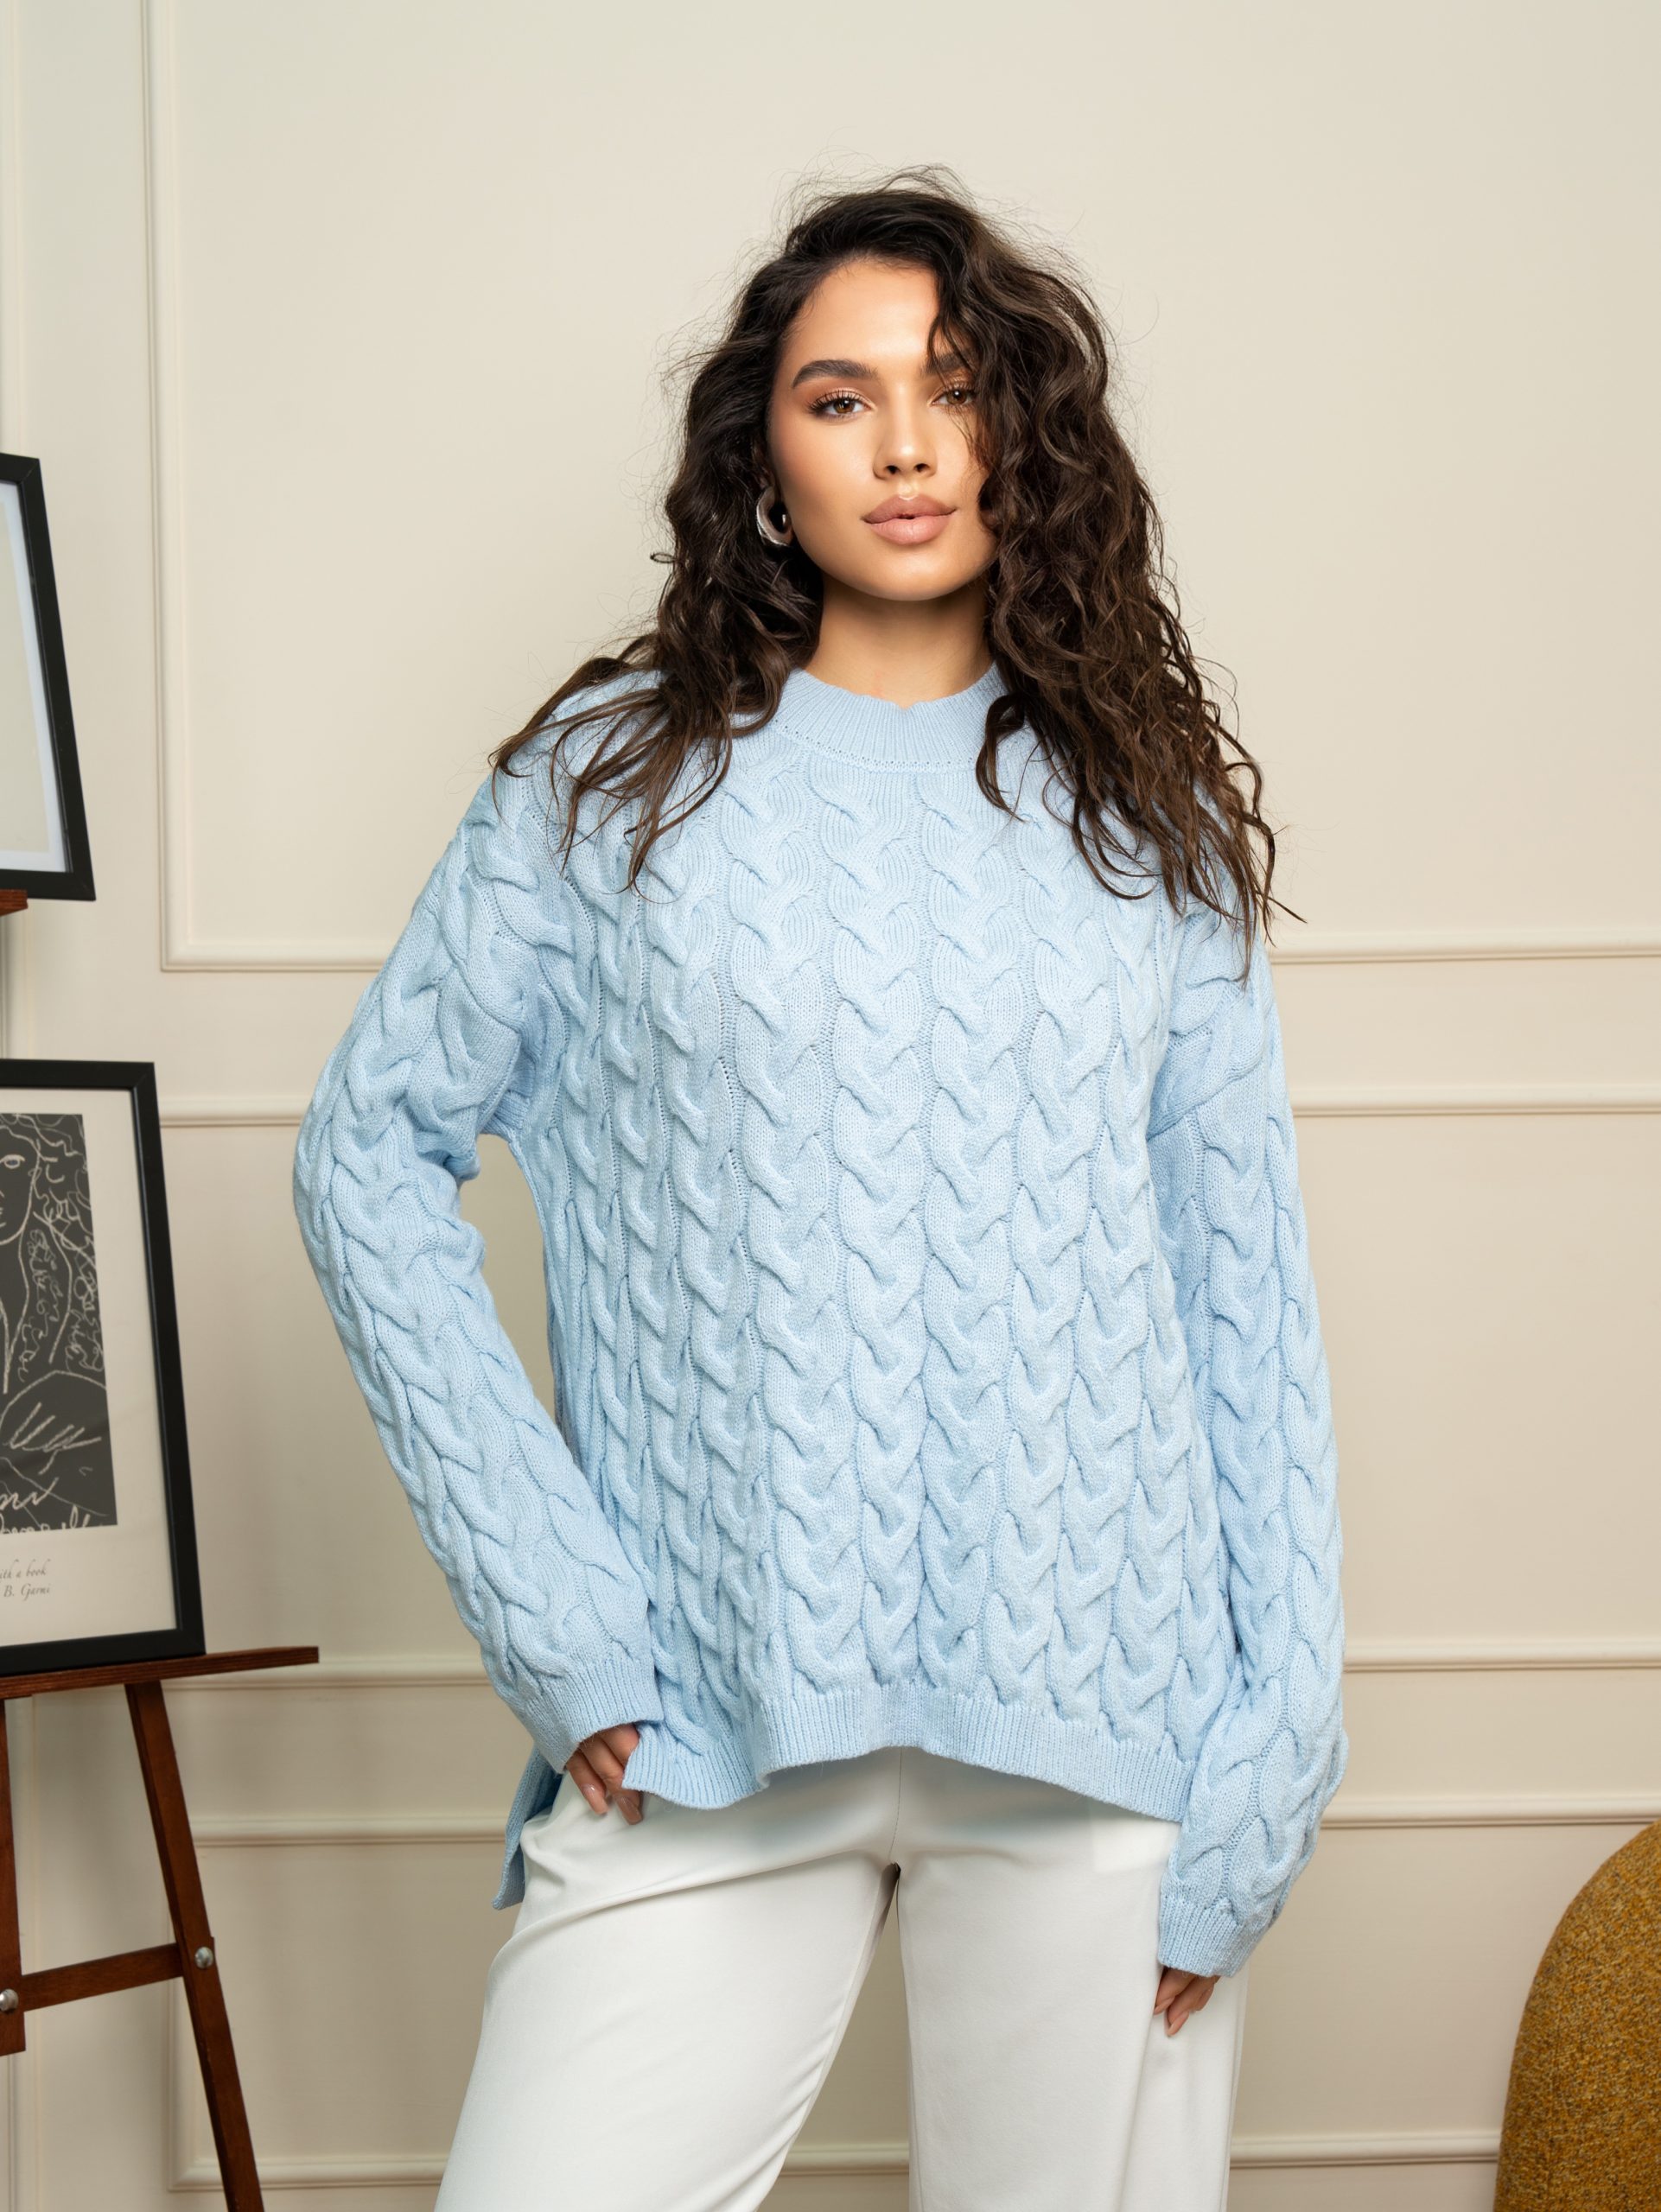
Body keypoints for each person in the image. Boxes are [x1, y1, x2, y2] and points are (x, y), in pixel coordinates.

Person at [291, 164, 1348, 2212]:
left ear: (1025, 435)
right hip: (707, 1720)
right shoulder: (607, 788)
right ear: (761, 460)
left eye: (954, 389)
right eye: (840, 397)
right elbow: (366, 1155)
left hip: (1098, 1740)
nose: (907, 446)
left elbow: (1245, 1296)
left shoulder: (1145, 823)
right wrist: (563, 1622)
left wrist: (1274, 1750)